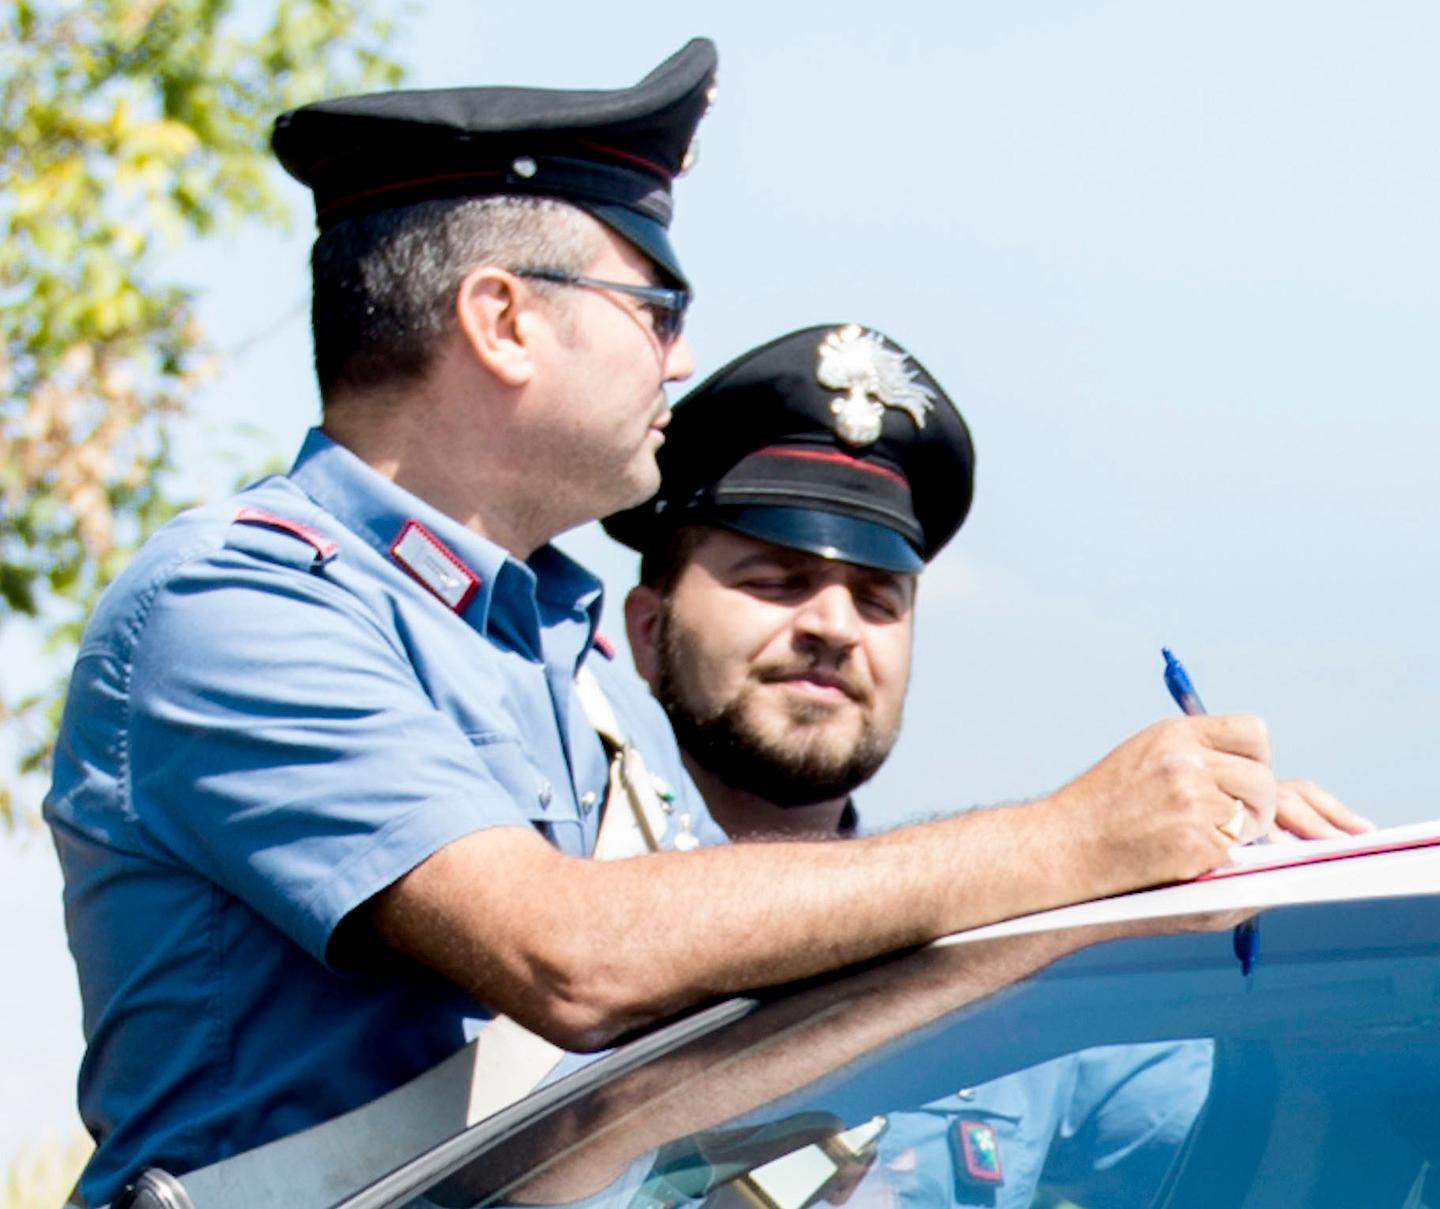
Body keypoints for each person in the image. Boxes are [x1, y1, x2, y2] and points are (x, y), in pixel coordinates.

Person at [42, 46, 1331, 1209]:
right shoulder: (238, 603)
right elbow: (572, 957)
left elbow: (697, 1072)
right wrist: (1076, 842)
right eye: (654, 308)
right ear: (501, 321)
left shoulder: (558, 649)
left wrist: (1177, 896)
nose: (676, 355)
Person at [602, 324, 1369, 1208]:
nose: (834, 626)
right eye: (775, 580)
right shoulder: (561, 907)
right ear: (650, 631)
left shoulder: (1009, 968)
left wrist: (1290, 931)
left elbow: (1274, 1145)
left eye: (879, 598)